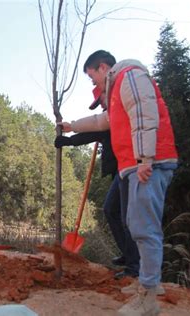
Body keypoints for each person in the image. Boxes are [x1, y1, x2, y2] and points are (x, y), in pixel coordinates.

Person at [59, 50, 177, 315]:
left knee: (144, 228)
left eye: (92, 78)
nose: (94, 85)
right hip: (136, 165)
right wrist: (72, 126)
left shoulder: (129, 76)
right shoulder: (116, 92)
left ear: (102, 68)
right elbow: (103, 122)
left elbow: (145, 115)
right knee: (137, 225)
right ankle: (148, 285)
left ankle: (147, 297)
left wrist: (145, 159)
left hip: (147, 164)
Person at [55, 86, 140, 280]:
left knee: (125, 216)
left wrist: (68, 141)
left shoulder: (116, 113)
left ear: (107, 92)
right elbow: (94, 131)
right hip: (119, 170)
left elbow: (92, 134)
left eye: (100, 99)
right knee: (112, 210)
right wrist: (69, 139)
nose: (100, 104)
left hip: (127, 168)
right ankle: (129, 256)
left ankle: (135, 267)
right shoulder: (107, 115)